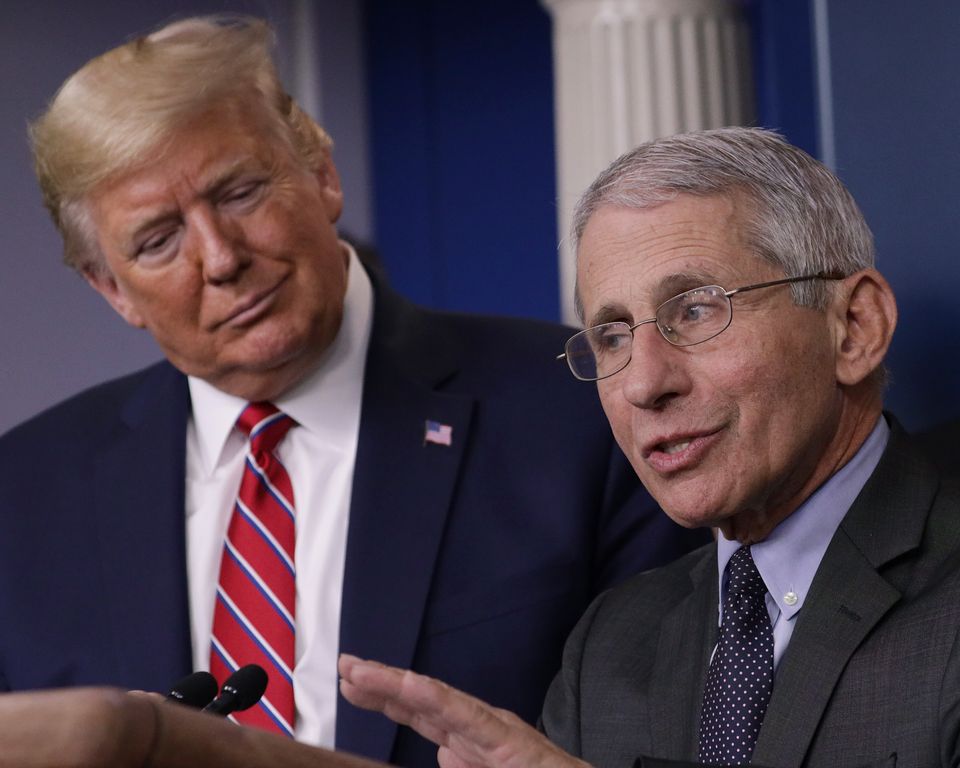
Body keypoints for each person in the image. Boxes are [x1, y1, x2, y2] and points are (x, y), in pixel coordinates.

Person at [0, 15, 708, 768]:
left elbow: (672, 739)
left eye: (239, 193)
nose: (219, 258)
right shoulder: (22, 497)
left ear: (321, 173)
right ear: (111, 289)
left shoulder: (579, 416)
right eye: (157, 241)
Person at [338, 127, 960, 768]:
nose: (642, 382)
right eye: (610, 336)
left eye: (694, 311)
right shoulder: (611, 644)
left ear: (855, 327)